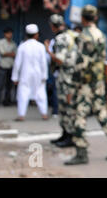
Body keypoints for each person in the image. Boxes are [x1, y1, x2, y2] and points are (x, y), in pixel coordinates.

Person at [65, 5, 107, 165]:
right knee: (102, 114)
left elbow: (80, 65)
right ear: (96, 18)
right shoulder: (101, 35)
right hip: (98, 82)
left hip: (85, 84)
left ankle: (81, 152)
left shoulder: (83, 37)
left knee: (78, 116)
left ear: (83, 19)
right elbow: (102, 60)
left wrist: (71, 88)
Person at [45, 14, 78, 148]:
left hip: (65, 76)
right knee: (66, 107)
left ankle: (69, 137)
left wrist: (48, 50)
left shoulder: (60, 39)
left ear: (52, 26)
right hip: (73, 75)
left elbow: (60, 59)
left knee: (65, 107)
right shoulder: (72, 35)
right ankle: (65, 134)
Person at [11, 24, 48, 121]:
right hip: (38, 74)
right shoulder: (41, 46)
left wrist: (15, 77)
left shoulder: (22, 46)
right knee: (41, 92)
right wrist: (44, 75)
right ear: (36, 35)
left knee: (23, 93)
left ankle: (21, 115)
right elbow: (43, 62)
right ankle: (44, 114)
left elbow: (17, 63)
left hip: (25, 74)